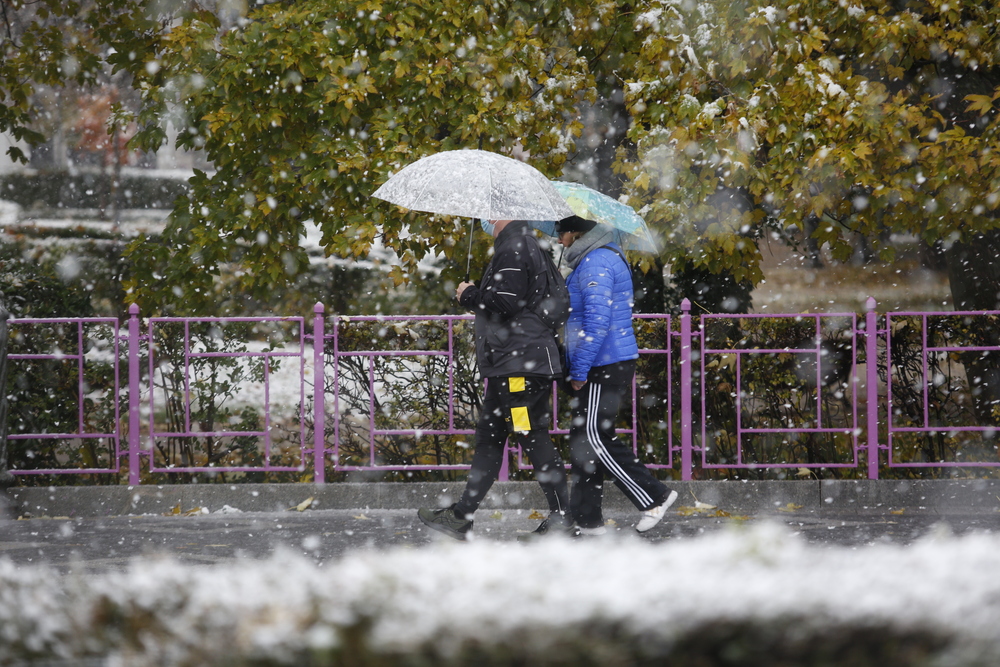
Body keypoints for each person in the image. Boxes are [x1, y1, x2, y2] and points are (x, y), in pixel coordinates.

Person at [418, 219, 574, 540]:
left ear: (504, 214)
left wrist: (469, 295)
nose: (485, 219)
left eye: (490, 213)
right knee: (489, 438)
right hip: (510, 364)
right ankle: (462, 515)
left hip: (519, 368)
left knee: (531, 434)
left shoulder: (516, 247)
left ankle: (563, 520)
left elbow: (504, 303)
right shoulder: (524, 245)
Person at [556, 214, 678, 535]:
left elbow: (597, 322)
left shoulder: (595, 263)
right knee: (583, 441)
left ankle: (654, 497)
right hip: (604, 360)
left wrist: (579, 369)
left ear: (576, 233)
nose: (558, 240)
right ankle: (587, 520)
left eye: (561, 233)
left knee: (595, 437)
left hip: (602, 364)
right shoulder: (592, 260)